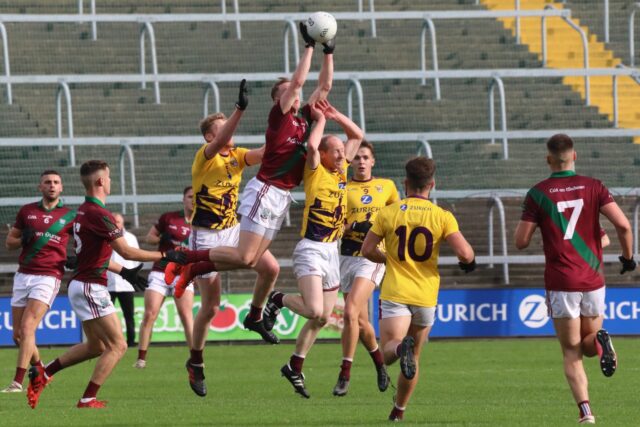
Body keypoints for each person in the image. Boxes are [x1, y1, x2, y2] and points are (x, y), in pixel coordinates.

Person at [171, 22, 336, 308]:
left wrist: (329, 50)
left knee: (253, 261)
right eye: (288, 92)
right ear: (279, 99)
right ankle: (188, 260)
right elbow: (297, 83)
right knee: (247, 258)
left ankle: (205, 274)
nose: (296, 92)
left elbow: (324, 86)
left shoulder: (303, 120)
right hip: (266, 190)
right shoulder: (280, 117)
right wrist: (309, 46)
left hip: (281, 197)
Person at [26, 160, 185, 409]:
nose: (110, 182)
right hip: (91, 286)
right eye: (109, 178)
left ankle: (44, 373)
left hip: (82, 283)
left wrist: (125, 273)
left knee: (96, 346)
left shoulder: (83, 211)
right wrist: (165, 255)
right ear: (100, 181)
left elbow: (97, 255)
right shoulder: (100, 214)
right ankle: (87, 398)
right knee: (118, 345)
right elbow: (127, 251)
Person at [165, 80, 281, 398]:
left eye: (229, 128)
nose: (230, 133)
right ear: (209, 136)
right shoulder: (205, 156)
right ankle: (196, 362)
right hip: (206, 235)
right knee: (212, 307)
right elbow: (224, 140)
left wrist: (290, 129)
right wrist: (239, 110)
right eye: (223, 129)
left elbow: (266, 153)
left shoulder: (237, 155)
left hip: (233, 229)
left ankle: (255, 316)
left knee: (270, 269)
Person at [514, 134, 635, 425]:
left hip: (561, 281)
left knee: (571, 350)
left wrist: (543, 226)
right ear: (574, 156)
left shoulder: (538, 193)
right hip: (593, 278)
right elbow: (623, 224)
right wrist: (628, 258)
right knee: (587, 344)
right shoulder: (595, 187)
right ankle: (602, 339)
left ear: (548, 159)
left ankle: (586, 413)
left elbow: (520, 241)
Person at [361, 157, 475, 421]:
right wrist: (467, 262)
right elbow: (465, 253)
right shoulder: (441, 216)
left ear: (405, 183)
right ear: (431, 185)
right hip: (425, 296)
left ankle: (402, 350)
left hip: (396, 292)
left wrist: (388, 258)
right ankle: (399, 412)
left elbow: (367, 250)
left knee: (391, 350)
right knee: (416, 356)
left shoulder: (388, 213)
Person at [263, 100, 363, 399]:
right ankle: (277, 299)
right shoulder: (316, 168)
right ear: (324, 153)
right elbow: (312, 146)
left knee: (321, 318)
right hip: (312, 249)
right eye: (336, 150)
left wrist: (335, 115)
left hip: (333, 250)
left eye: (342, 152)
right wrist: (320, 121)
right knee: (315, 309)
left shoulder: (342, 170)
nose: (342, 154)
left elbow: (357, 135)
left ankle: (294, 365)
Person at [332, 140, 400, 397]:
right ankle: (381, 366)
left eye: (365, 157)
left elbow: (397, 219)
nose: (361, 161)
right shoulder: (342, 188)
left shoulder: (387, 187)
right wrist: (351, 227)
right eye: (357, 157)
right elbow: (336, 227)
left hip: (371, 257)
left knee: (349, 311)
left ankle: (345, 372)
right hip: (346, 257)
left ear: (373, 162)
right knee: (360, 322)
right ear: (351, 162)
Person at [1, 171, 76, 393]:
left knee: (27, 328)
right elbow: (9, 243)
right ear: (39, 187)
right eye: (47, 182)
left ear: (61, 188)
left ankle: (17, 382)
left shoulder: (70, 215)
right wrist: (23, 238)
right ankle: (40, 370)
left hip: (48, 276)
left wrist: (78, 258)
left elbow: (84, 241)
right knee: (17, 335)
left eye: (55, 182)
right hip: (23, 275)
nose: (52, 186)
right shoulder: (27, 211)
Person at [134, 186, 195, 369]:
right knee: (150, 314)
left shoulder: (204, 221)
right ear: (183, 199)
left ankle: (196, 358)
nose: (193, 200)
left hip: (184, 273)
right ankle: (141, 359)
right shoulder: (168, 218)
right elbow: (149, 238)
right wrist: (162, 239)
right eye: (190, 197)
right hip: (160, 271)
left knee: (186, 316)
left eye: (196, 197)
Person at [107, 213, 142, 348]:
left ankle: (131, 341)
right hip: (109, 283)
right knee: (106, 316)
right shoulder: (106, 237)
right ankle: (108, 342)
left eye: (119, 222)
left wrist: (134, 276)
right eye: (114, 222)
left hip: (126, 283)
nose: (117, 224)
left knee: (129, 315)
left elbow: (136, 257)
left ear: (122, 223)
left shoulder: (131, 238)